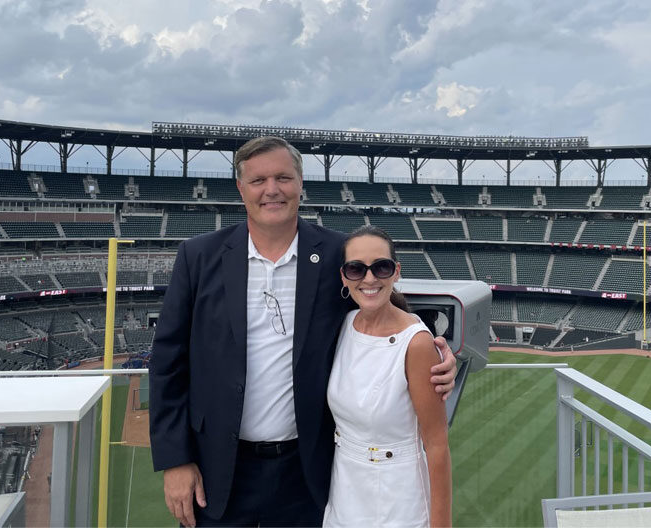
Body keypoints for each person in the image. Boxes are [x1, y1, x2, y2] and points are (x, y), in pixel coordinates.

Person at [149, 136, 457, 527]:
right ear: (241, 188)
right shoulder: (199, 256)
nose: (272, 190)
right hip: (216, 469)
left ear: (300, 184)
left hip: (306, 470)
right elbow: (167, 363)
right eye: (258, 180)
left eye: (283, 177)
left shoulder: (335, 255)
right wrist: (176, 460)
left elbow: (384, 309)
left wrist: (439, 352)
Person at [324, 226, 451, 527]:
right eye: (356, 269)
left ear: (396, 272)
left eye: (381, 267)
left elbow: (436, 444)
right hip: (343, 489)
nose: (369, 279)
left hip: (398, 498)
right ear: (344, 276)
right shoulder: (344, 323)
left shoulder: (417, 343)